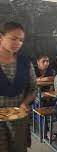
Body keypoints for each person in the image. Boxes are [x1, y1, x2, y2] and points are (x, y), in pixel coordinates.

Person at [0, 21, 36, 152]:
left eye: (21, 40)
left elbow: (33, 89)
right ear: (1, 37)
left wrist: (25, 103)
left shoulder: (25, 63)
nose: (18, 43)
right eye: (13, 38)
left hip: (18, 118)